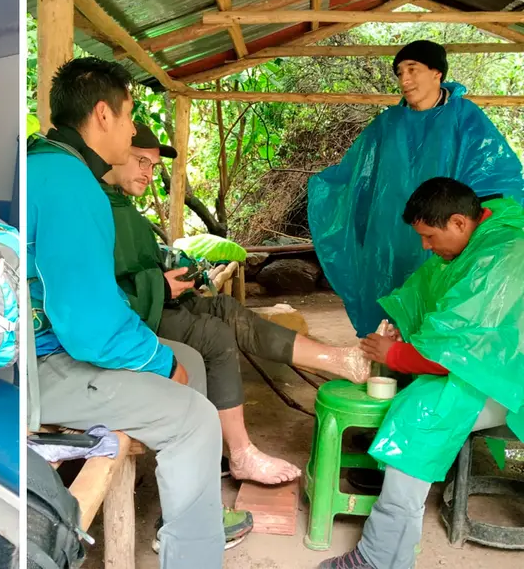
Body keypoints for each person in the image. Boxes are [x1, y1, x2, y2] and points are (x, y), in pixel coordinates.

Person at [27, 57, 247, 568]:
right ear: (103, 114)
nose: (131, 130)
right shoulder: (69, 183)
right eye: (129, 115)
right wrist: (157, 362)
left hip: (44, 348)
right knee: (195, 416)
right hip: (38, 368)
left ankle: (183, 514)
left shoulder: (49, 164)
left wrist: (164, 358)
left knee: (188, 357)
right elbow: (91, 328)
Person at [104, 122, 371, 487]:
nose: (149, 174)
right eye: (141, 162)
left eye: (153, 166)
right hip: (131, 319)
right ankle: (241, 453)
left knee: (226, 309)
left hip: (154, 302)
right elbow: (104, 290)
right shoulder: (95, 205)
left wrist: (175, 279)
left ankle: (340, 359)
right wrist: (159, 287)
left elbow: (142, 264)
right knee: (214, 335)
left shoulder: (124, 207)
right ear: (115, 148)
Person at [319, 178, 524, 569]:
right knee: (418, 403)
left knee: (418, 417)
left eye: (430, 236)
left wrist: (397, 355)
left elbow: (459, 354)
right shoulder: (480, 236)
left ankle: (376, 558)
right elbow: (436, 303)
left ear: (459, 222)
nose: (426, 247)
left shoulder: (502, 256)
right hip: (492, 370)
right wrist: (405, 334)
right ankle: (390, 553)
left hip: (512, 382)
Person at [308, 40, 524, 338]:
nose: (404, 79)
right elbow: (357, 176)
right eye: (399, 72)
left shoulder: (465, 118)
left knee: (436, 306)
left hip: (443, 237)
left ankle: (423, 356)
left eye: (412, 69)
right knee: (388, 309)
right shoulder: (387, 124)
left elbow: (497, 176)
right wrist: (324, 188)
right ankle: (388, 357)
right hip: (388, 241)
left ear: (437, 73)